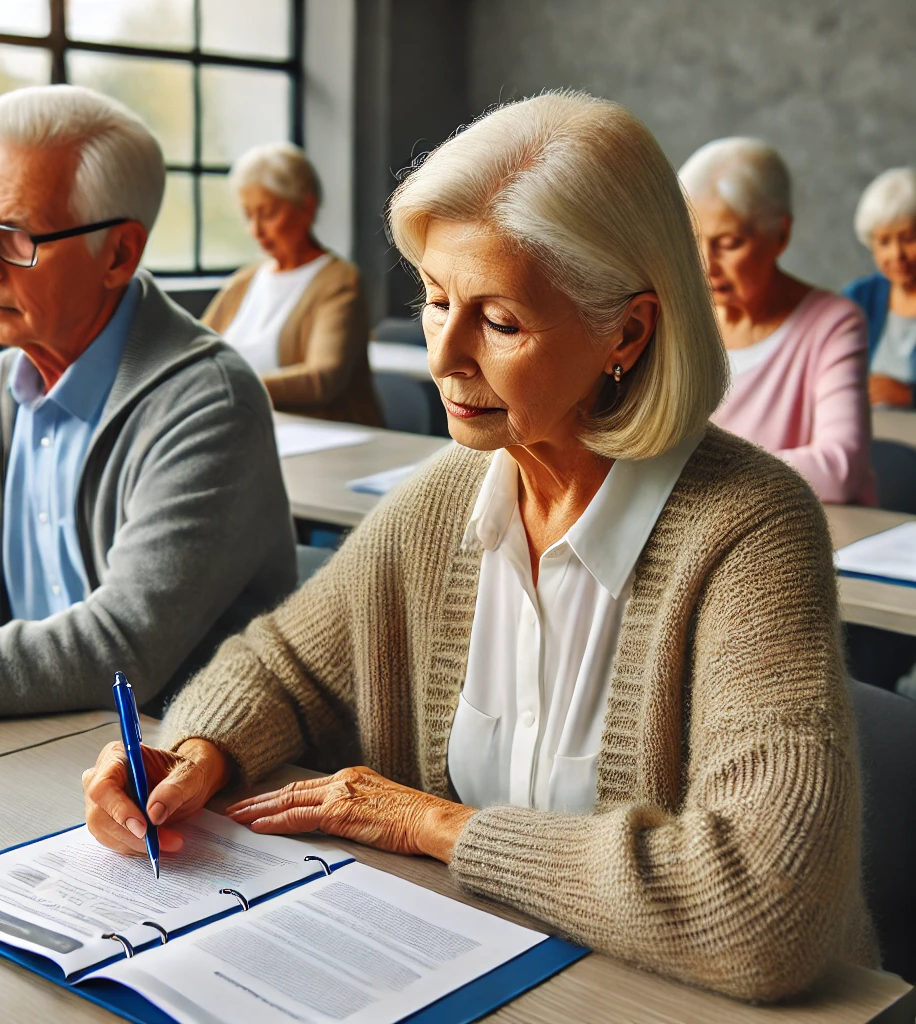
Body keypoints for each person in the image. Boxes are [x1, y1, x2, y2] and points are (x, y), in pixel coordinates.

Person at [84, 93, 873, 1002]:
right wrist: (195, 753)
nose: (444, 356)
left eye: (499, 322)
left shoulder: (751, 530)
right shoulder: (445, 499)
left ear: (627, 331)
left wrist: (437, 826)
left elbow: (765, 908)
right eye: (433, 300)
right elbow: (283, 665)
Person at [0, 85, 295, 720]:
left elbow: (116, 653)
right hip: (29, 748)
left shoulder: (209, 406)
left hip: (172, 773)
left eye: (16, 237)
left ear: (118, 254)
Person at [680, 138, 875, 505]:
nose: (706, 263)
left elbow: (840, 469)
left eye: (730, 242)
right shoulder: (683, 318)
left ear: (780, 234)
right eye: (694, 240)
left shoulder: (833, 323)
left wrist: (696, 472)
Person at [201, 142, 383, 427]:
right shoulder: (243, 282)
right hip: (245, 427)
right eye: (249, 215)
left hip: (324, 438)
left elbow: (323, 381)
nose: (256, 231)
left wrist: (230, 386)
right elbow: (195, 351)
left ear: (306, 206)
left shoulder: (339, 281)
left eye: (269, 213)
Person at [843, 167, 916, 408]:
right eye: (884, 241)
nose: (897, 254)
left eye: (908, 238)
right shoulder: (857, 298)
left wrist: (909, 395)